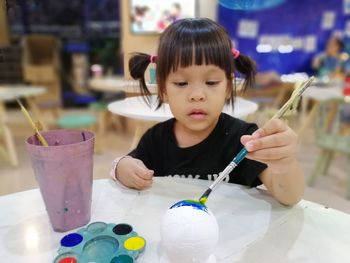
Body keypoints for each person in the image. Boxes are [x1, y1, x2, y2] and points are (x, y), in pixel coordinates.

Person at [111, 18, 305, 206]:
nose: (197, 95)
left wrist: (285, 164)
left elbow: (288, 197)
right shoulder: (155, 140)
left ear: (228, 87)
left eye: (211, 82)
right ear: (163, 90)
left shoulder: (243, 138)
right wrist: (121, 167)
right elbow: (128, 166)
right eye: (181, 83)